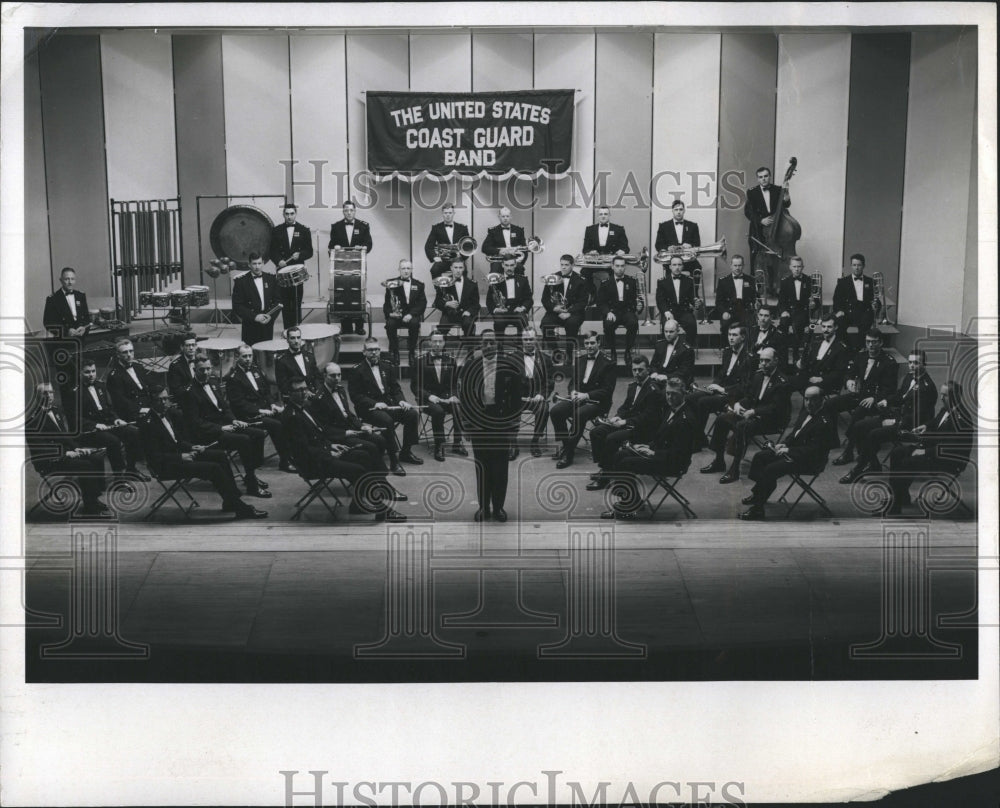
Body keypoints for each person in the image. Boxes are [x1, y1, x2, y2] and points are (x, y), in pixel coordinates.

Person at [281, 378, 406, 522]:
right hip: (314, 462)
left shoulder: (304, 408)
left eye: (305, 389)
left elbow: (318, 434)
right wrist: (328, 451)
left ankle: (357, 504)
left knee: (364, 455)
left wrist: (331, 445)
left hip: (323, 452)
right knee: (358, 470)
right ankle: (383, 510)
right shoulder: (292, 417)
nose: (304, 392)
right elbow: (302, 450)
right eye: (299, 390)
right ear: (289, 393)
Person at [139, 386, 266, 520]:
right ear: (151, 401)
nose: (164, 403)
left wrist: (193, 447)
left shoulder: (168, 414)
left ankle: (230, 501)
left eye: (166, 399)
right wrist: (181, 456)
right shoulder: (147, 424)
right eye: (159, 400)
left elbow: (177, 441)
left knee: (220, 455)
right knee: (213, 468)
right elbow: (154, 458)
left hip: (177, 457)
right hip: (166, 465)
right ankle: (240, 507)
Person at [599, 377, 695, 519]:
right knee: (621, 454)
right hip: (661, 454)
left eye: (674, 394)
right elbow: (662, 438)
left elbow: (679, 454)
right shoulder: (671, 410)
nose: (669, 397)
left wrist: (653, 452)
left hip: (672, 462)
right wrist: (648, 446)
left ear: (683, 394)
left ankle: (629, 506)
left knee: (626, 463)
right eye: (668, 393)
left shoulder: (686, 419)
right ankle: (633, 500)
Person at [738, 386, 837, 520]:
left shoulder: (825, 422)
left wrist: (789, 450)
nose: (809, 403)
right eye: (806, 399)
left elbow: (814, 450)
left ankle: (757, 509)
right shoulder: (806, 411)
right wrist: (784, 443)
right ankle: (759, 493)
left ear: (822, 400)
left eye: (813, 400)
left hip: (810, 461)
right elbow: (795, 434)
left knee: (770, 470)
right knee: (760, 457)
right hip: (794, 453)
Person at [839, 350, 938, 483]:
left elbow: (918, 416)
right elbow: (900, 395)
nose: (911, 366)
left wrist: (896, 422)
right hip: (898, 418)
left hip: (910, 426)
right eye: (910, 362)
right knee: (859, 426)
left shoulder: (927, 387)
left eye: (916, 363)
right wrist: (887, 401)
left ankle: (858, 470)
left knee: (873, 434)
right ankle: (873, 464)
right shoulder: (910, 377)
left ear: (924, 364)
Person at [182, 355, 272, 499]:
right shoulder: (189, 392)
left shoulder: (213, 382)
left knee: (258, 434)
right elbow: (195, 423)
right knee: (244, 440)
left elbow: (225, 408)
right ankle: (251, 485)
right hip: (207, 433)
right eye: (201, 370)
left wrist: (234, 421)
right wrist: (221, 429)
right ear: (194, 370)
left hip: (224, 425)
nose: (206, 372)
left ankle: (251, 474)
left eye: (208, 369)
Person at [457, 330, 522, 522]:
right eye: (484, 343)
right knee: (482, 467)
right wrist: (467, 426)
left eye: (491, 342)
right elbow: (465, 399)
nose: (488, 346)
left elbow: (516, 400)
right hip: (479, 423)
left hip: (501, 422)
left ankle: (499, 507)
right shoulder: (470, 366)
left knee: (501, 468)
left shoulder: (510, 366)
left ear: (497, 344)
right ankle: (484, 507)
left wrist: (514, 428)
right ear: (480, 345)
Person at [701, 347, 791, 483]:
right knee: (721, 419)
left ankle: (734, 469)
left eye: (767, 361)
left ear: (776, 361)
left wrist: (754, 412)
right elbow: (749, 398)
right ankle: (719, 460)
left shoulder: (782, 382)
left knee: (742, 426)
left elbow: (776, 408)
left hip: (771, 420)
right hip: (753, 415)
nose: (763, 364)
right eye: (761, 361)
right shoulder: (758, 375)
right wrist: (738, 404)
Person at [885, 381, 974, 516]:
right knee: (897, 453)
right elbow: (936, 423)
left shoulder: (962, 419)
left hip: (950, 460)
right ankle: (900, 496)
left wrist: (924, 451)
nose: (941, 398)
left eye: (945, 395)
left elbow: (950, 447)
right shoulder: (946, 409)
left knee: (908, 462)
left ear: (954, 397)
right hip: (935, 452)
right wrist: (926, 426)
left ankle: (894, 507)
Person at [27, 381, 109, 517]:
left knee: (96, 457)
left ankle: (93, 498)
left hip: (64, 454)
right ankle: (91, 508)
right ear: (37, 396)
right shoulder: (33, 420)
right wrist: (66, 454)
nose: (49, 396)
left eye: (51, 392)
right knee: (86, 466)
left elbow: (65, 438)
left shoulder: (56, 411)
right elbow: (41, 449)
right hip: (49, 460)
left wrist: (79, 449)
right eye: (45, 393)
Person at [587, 355, 665, 490]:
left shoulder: (654, 390)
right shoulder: (632, 386)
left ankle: (605, 476)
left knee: (612, 438)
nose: (637, 373)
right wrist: (617, 416)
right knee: (596, 432)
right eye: (634, 370)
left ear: (648, 370)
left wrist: (625, 422)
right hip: (627, 423)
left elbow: (649, 417)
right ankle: (607, 467)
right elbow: (625, 407)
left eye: (640, 370)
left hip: (643, 429)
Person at [310, 362, 402, 475]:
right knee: (371, 446)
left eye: (339, 375)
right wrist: (345, 433)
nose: (337, 378)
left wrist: (361, 426)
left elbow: (348, 414)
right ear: (324, 376)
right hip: (338, 436)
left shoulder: (340, 389)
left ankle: (374, 468)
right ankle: (377, 474)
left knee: (380, 440)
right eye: (332, 375)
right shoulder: (318, 398)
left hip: (351, 428)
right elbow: (322, 428)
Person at [347, 338, 422, 470]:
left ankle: (406, 452)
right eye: (370, 350)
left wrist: (401, 400)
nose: (374, 353)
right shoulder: (356, 370)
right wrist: (375, 404)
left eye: (376, 349)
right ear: (364, 352)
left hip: (389, 405)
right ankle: (394, 459)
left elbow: (395, 388)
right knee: (386, 420)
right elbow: (355, 396)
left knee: (412, 414)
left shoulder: (387, 366)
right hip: (369, 409)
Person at [826, 329, 899, 464]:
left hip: (877, 401)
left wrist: (875, 398)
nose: (870, 345)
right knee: (830, 404)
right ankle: (833, 441)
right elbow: (849, 373)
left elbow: (890, 390)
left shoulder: (889, 363)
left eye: (874, 342)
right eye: (868, 342)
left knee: (858, 413)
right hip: (860, 395)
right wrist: (848, 381)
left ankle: (848, 451)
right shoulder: (861, 356)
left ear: (881, 343)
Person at [68, 358, 148, 480]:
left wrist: (116, 419)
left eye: (93, 371)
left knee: (133, 432)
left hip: (107, 424)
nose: (91, 375)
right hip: (89, 431)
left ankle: (131, 469)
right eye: (87, 372)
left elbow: (109, 408)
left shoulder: (100, 385)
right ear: (80, 372)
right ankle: (119, 478)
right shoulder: (74, 392)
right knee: (113, 441)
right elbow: (75, 418)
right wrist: (95, 425)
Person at [549, 331, 617, 469]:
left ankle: (568, 453)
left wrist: (586, 396)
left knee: (579, 414)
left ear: (599, 343)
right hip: (578, 398)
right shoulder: (580, 360)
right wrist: (573, 392)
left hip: (598, 403)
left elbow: (607, 390)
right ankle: (567, 444)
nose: (589, 346)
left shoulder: (608, 363)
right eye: (586, 343)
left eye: (592, 343)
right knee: (556, 411)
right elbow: (573, 382)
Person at [225, 343, 295, 473]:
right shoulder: (233, 378)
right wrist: (260, 411)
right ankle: (285, 462)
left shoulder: (256, 370)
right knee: (276, 425)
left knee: (288, 417)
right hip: (247, 416)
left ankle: (292, 456)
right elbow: (239, 404)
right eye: (244, 356)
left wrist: (273, 405)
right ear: (237, 357)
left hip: (265, 410)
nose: (248, 359)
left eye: (250, 356)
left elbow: (266, 392)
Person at [685, 323, 751, 450]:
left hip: (734, 396)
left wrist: (724, 390)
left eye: (734, 335)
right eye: (729, 335)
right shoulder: (727, 352)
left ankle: (697, 441)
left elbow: (745, 386)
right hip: (720, 391)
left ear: (742, 337)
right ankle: (700, 436)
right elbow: (721, 374)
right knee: (689, 398)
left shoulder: (748, 357)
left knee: (703, 402)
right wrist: (715, 384)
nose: (731, 338)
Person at [410, 332, 465, 462]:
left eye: (440, 341)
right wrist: (429, 396)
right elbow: (415, 386)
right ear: (430, 343)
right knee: (438, 411)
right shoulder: (419, 361)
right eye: (435, 341)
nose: (438, 344)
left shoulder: (451, 360)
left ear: (444, 342)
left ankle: (457, 443)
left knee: (458, 408)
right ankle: (439, 445)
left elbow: (454, 384)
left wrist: (454, 396)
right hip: (427, 399)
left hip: (446, 397)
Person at [328, 200, 372, 335]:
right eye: (346, 210)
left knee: (358, 294)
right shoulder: (336, 227)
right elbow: (331, 246)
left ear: (355, 211)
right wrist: (334, 247)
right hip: (341, 266)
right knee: (343, 294)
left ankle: (359, 326)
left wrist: (363, 247)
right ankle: (346, 326)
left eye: (351, 210)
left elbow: (369, 244)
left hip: (358, 266)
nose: (349, 212)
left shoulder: (363, 226)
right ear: (343, 211)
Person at [743, 166, 790, 292]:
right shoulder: (751, 192)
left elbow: (786, 204)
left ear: (769, 177)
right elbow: (748, 212)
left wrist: (786, 193)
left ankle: (775, 288)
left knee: (775, 260)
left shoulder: (778, 189)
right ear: (757, 179)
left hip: (776, 231)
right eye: (761, 177)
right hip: (758, 232)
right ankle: (757, 291)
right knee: (757, 261)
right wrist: (760, 220)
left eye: (766, 176)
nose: (763, 179)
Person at [268, 202, 314, 329]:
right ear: (283, 215)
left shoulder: (304, 230)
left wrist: (300, 254)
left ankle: (297, 329)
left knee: (296, 301)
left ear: (296, 214)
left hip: (297, 273)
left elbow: (309, 251)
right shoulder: (276, 230)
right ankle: (287, 329)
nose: (289, 216)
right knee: (285, 302)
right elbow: (271, 251)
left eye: (292, 214)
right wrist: (278, 261)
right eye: (287, 214)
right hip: (282, 271)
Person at [512, 329, 555, 458]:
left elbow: (549, 381)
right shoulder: (513, 357)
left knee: (544, 408)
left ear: (536, 340)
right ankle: (513, 444)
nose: (528, 342)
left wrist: (541, 394)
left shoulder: (546, 359)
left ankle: (535, 442)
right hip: (518, 397)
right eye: (526, 339)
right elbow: (507, 379)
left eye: (531, 339)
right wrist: (515, 395)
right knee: (509, 407)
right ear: (522, 340)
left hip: (536, 397)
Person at [383, 259, 426, 366]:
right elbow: (387, 304)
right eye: (403, 268)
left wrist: (411, 314)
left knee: (415, 324)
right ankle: (394, 352)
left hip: (411, 315)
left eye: (408, 268)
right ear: (399, 269)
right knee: (390, 324)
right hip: (396, 315)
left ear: (411, 270)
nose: (406, 271)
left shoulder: (419, 285)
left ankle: (412, 352)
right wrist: (390, 314)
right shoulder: (391, 283)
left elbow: (422, 303)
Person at [791, 315, 849, 394]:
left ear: (836, 327)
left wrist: (821, 378)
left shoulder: (840, 347)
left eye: (829, 327)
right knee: (786, 384)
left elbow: (839, 372)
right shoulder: (817, 341)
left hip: (826, 382)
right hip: (811, 376)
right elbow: (810, 361)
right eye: (823, 326)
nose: (825, 330)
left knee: (809, 391)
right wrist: (801, 363)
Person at [231, 252, 280, 345]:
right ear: (249, 265)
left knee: (267, 353)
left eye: (259, 263)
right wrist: (254, 317)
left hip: (267, 322)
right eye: (254, 264)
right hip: (250, 324)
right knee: (251, 355)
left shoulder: (271, 279)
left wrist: (271, 316)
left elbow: (278, 301)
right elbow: (237, 306)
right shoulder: (241, 282)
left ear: (263, 263)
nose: (257, 267)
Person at [540, 254, 589, 347]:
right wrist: (554, 308)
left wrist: (569, 312)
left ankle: (569, 355)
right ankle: (555, 351)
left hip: (574, 313)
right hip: (556, 312)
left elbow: (583, 302)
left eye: (566, 265)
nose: (563, 267)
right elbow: (544, 299)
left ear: (572, 265)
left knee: (572, 324)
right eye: (562, 264)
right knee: (545, 324)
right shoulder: (553, 277)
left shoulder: (580, 280)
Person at [597, 256, 639, 363]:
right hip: (612, 311)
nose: (620, 268)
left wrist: (638, 306)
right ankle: (612, 351)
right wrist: (607, 312)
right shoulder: (605, 282)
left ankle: (628, 350)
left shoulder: (632, 281)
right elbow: (601, 302)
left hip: (626, 311)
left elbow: (635, 300)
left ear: (625, 267)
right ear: (612, 267)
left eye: (622, 266)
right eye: (617, 266)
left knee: (633, 323)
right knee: (608, 324)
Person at [832, 253, 875, 350]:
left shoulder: (870, 281)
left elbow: (875, 300)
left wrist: (875, 306)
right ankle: (847, 348)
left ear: (863, 266)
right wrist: (839, 311)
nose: (856, 268)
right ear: (851, 266)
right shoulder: (843, 282)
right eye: (854, 265)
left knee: (866, 324)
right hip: (848, 312)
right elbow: (836, 300)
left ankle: (861, 350)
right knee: (839, 323)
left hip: (864, 312)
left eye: (859, 265)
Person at [486, 255, 533, 345]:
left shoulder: (523, 280)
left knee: (522, 320)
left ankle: (520, 351)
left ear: (515, 265)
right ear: (502, 265)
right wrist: (496, 310)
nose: (509, 268)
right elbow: (489, 301)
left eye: (511, 265)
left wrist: (523, 308)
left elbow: (529, 299)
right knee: (499, 323)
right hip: (502, 312)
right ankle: (500, 352)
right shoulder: (495, 280)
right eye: (507, 265)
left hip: (517, 310)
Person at [105, 339, 154, 421]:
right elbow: (120, 400)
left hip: (148, 406)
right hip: (132, 412)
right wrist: (139, 409)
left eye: (131, 351)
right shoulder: (114, 375)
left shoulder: (139, 367)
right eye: (125, 352)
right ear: (118, 355)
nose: (129, 355)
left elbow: (149, 385)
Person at [777, 256, 814, 363]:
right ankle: (783, 356)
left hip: (803, 311)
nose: (797, 269)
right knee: (782, 324)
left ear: (803, 267)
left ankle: (796, 354)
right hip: (789, 311)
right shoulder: (785, 282)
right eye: (794, 266)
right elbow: (781, 301)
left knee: (798, 323)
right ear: (790, 267)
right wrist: (783, 311)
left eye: (799, 266)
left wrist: (813, 303)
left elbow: (816, 300)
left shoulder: (809, 280)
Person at [433, 258, 480, 337]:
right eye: (455, 267)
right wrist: (446, 303)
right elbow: (437, 302)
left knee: (468, 324)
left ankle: (469, 347)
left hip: (465, 314)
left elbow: (476, 304)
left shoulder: (472, 284)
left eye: (460, 267)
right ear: (451, 268)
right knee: (442, 327)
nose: (458, 270)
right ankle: (442, 348)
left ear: (464, 268)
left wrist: (469, 312)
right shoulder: (443, 282)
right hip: (449, 314)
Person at [655, 255, 697, 341]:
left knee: (691, 323)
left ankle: (689, 349)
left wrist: (696, 302)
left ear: (683, 266)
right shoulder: (662, 281)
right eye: (674, 265)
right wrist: (666, 311)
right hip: (669, 311)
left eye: (679, 265)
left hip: (684, 311)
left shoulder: (689, 280)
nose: (677, 267)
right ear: (670, 267)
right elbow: (660, 300)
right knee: (667, 325)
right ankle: (667, 350)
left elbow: (692, 297)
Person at [424, 203, 472, 279]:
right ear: (442, 214)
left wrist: (462, 256)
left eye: (450, 213)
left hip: (458, 259)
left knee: (464, 271)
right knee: (434, 270)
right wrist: (434, 257)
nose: (448, 215)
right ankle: (439, 290)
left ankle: (461, 290)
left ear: (453, 213)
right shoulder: (436, 228)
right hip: (443, 260)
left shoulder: (462, 228)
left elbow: (468, 246)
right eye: (445, 213)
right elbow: (428, 246)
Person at [654, 200, 702, 276]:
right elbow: (658, 245)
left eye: (681, 209)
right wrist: (667, 248)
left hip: (688, 261)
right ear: (672, 211)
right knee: (670, 268)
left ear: (684, 210)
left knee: (697, 268)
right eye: (676, 210)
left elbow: (697, 244)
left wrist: (690, 246)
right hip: (671, 260)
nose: (678, 212)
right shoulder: (663, 226)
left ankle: (692, 288)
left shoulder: (693, 226)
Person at [43, 266, 92, 339]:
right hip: (63, 340)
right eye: (67, 279)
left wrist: (84, 328)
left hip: (81, 337)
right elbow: (48, 323)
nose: (70, 282)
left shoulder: (80, 295)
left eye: (72, 279)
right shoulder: (52, 299)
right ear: (61, 280)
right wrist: (66, 331)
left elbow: (86, 318)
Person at [649, 317, 695, 388]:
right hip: (659, 378)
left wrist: (666, 377)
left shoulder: (687, 349)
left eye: (671, 332)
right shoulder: (660, 345)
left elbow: (684, 372)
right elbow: (653, 364)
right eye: (666, 331)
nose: (668, 334)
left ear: (678, 331)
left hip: (676, 381)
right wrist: (654, 373)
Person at [274, 326, 321, 395]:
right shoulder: (281, 361)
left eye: (298, 337)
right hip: (297, 398)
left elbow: (318, 377)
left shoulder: (310, 356)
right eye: (292, 338)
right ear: (287, 340)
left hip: (314, 394)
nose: (296, 341)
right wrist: (303, 392)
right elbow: (283, 387)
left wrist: (318, 391)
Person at [714, 254, 756, 328]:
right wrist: (724, 312)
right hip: (729, 310)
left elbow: (754, 298)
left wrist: (756, 305)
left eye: (739, 265)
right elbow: (719, 302)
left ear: (743, 266)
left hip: (745, 310)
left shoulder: (750, 280)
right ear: (731, 266)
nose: (737, 268)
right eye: (735, 265)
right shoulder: (723, 281)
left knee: (751, 326)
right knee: (725, 325)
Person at [481, 206, 527, 273]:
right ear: (499, 217)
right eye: (503, 216)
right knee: (494, 271)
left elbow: (524, 249)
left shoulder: (519, 230)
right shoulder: (493, 231)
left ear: (511, 217)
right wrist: (499, 251)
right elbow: (485, 248)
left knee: (520, 269)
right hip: (499, 261)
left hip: (515, 261)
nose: (505, 218)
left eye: (507, 216)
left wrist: (520, 261)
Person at [747, 305, 785, 369]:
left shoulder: (777, 334)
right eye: (761, 315)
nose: (762, 318)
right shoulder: (751, 331)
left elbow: (780, 358)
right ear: (758, 316)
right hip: (751, 365)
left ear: (771, 317)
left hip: (767, 365)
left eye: (766, 316)